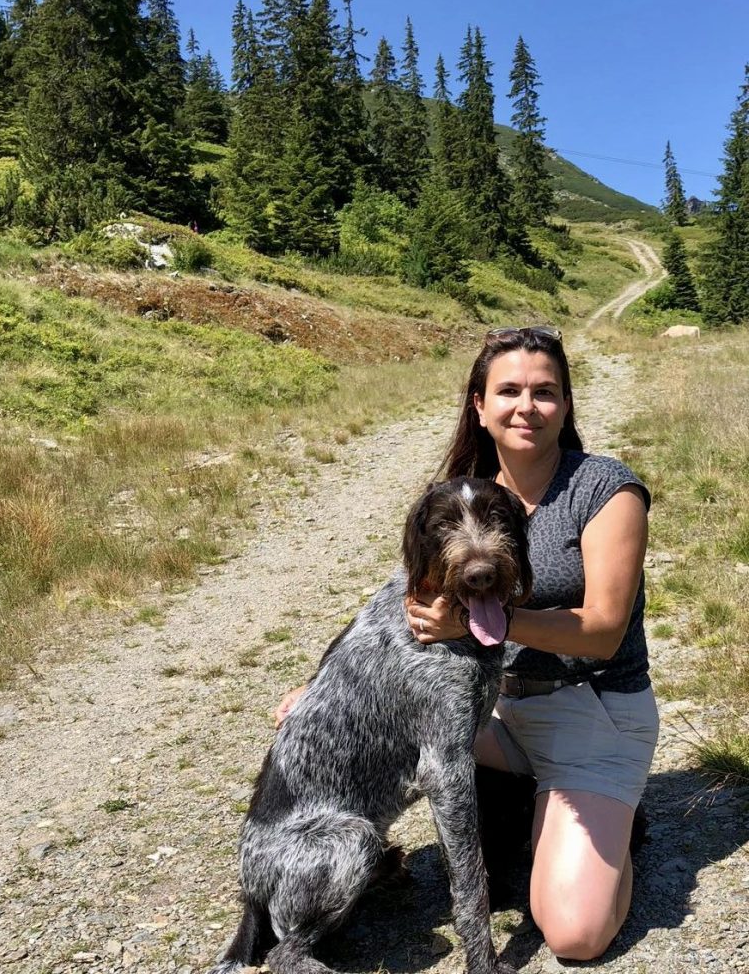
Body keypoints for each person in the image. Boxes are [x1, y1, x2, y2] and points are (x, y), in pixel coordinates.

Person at [275, 326, 658, 962]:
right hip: (500, 713)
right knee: (352, 726)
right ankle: (531, 807)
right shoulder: (466, 494)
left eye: (545, 392)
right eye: (508, 391)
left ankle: (615, 830)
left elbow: (603, 630)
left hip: (593, 715)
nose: (526, 406)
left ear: (566, 403)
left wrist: (492, 625)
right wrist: (320, 689)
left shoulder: (604, 490)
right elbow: (397, 602)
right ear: (479, 406)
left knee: (575, 934)